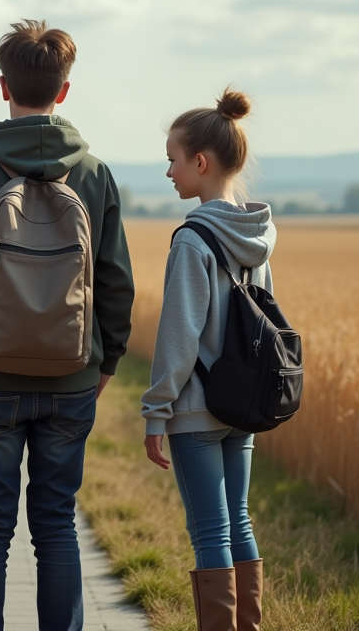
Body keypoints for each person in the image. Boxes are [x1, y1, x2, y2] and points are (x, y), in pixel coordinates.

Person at [0, 20, 135, 630]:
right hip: (73, 374)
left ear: (2, 85)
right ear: (64, 90)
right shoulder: (93, 173)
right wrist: (108, 359)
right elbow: (115, 279)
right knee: (57, 523)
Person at [141, 89, 271, 631]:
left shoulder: (193, 241)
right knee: (238, 521)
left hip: (195, 409)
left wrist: (155, 411)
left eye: (172, 159)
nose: (167, 170)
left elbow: (178, 337)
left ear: (200, 162)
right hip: (243, 403)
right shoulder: (258, 233)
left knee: (211, 532)